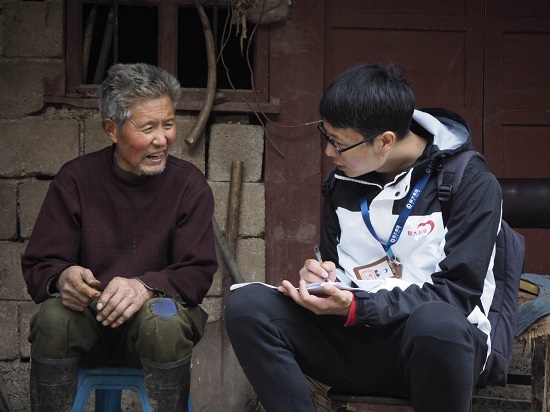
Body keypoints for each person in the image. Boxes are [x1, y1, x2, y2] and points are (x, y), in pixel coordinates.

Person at [224, 62, 503, 411]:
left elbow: (455, 296)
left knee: (436, 322)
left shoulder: (470, 183)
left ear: (385, 141)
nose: (329, 153)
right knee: (247, 306)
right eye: (326, 137)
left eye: (338, 144)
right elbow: (340, 268)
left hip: (435, 351)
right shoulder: (342, 181)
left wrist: (361, 307)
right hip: (355, 339)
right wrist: (324, 281)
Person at [22, 63, 218, 412]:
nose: (162, 139)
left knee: (163, 320)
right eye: (148, 128)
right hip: (89, 324)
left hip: (158, 323)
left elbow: (198, 271)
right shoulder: (76, 180)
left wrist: (145, 286)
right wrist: (63, 277)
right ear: (112, 130)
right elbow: (40, 263)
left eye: (168, 124)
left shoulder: (189, 185)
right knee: (53, 318)